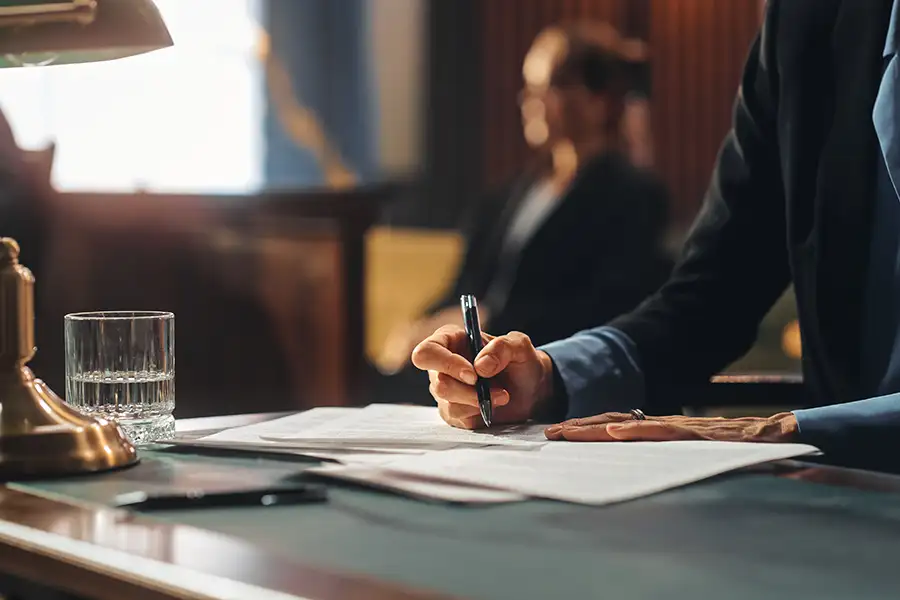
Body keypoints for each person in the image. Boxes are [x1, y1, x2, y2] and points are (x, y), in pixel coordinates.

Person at [412, 0, 900, 472]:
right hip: (841, 493)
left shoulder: (627, 191)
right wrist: (546, 378)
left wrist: (788, 430)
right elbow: (710, 298)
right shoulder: (805, 19)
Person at [378, 22, 671, 381]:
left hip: (543, 366)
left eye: (550, 87)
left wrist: (492, 321)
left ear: (600, 100)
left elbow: (605, 307)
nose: (530, 100)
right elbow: (465, 285)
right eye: (529, 87)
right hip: (472, 354)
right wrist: (421, 327)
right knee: (383, 375)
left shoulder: (633, 197)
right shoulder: (507, 196)